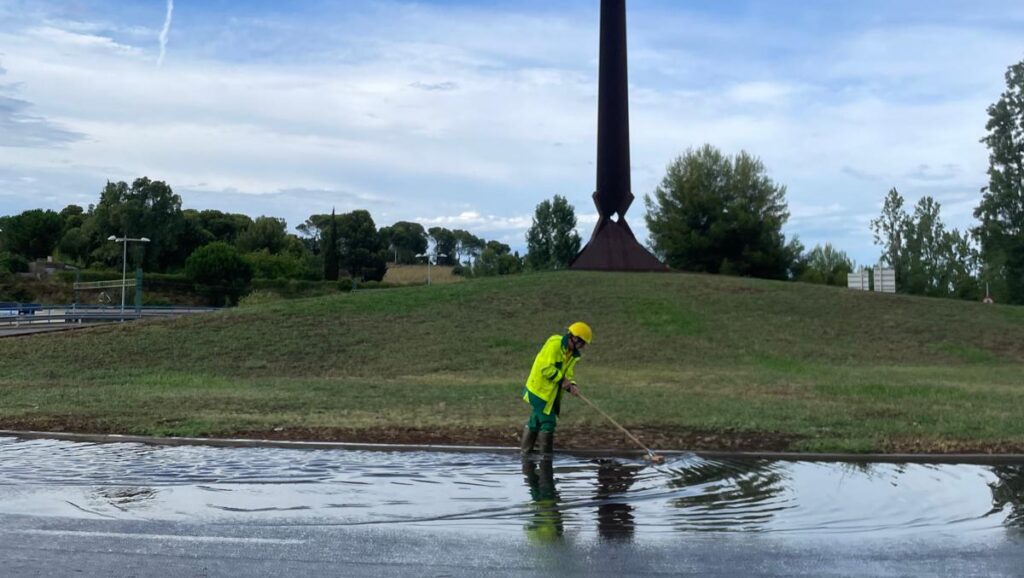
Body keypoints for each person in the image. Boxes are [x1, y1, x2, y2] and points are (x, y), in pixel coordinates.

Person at [520, 321, 592, 456]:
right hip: (539, 391)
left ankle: (525, 454)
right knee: (548, 422)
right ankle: (546, 458)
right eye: (582, 343)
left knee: (535, 420)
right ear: (575, 338)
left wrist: (572, 385)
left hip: (550, 394)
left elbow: (568, 372)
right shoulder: (554, 346)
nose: (583, 347)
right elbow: (545, 368)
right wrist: (561, 380)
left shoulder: (572, 354)